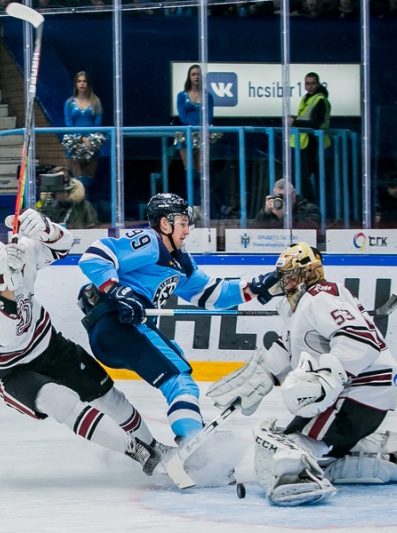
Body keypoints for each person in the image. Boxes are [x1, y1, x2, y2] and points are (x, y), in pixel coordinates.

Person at [206, 243, 397, 506]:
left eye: (288, 275)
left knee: (283, 448)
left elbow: (361, 341)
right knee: (293, 445)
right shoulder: (303, 305)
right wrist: (261, 377)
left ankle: (299, 479)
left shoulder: (320, 297)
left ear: (307, 274)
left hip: (358, 394)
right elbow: (287, 349)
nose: (284, 282)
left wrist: (327, 379)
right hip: (364, 395)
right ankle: (379, 455)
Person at [0, 210, 173, 477]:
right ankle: (136, 451)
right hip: (13, 370)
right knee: (61, 402)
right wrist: (8, 291)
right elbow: (8, 336)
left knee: (108, 396)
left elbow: (64, 246)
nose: (5, 270)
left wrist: (44, 228)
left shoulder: (18, 255)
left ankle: (155, 447)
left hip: (49, 345)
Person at [76, 193, 280, 444]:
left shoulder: (181, 263)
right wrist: (116, 289)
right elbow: (95, 256)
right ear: (165, 224)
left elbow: (211, 295)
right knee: (180, 381)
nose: (187, 231)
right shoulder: (150, 242)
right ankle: (193, 442)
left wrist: (255, 287)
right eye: (182, 223)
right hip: (119, 323)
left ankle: (192, 433)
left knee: (179, 365)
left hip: (119, 332)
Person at [175, 64, 217, 199]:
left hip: (202, 135)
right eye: (193, 74)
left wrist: (201, 129)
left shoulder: (208, 96)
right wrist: (195, 127)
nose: (196, 77)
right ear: (189, 77)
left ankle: (200, 204)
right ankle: (190, 203)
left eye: (198, 74)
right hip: (186, 135)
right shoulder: (181, 95)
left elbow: (209, 116)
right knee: (189, 171)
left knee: (201, 172)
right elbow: (182, 117)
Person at [290, 72, 331, 204]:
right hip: (302, 142)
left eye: (313, 83)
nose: (310, 86)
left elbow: (315, 123)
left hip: (313, 142)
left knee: (305, 177)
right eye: (307, 83)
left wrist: (294, 122)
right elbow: (305, 118)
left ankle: (310, 206)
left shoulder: (320, 100)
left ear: (318, 84)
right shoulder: (306, 98)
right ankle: (306, 205)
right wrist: (295, 119)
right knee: (301, 176)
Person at [63, 71, 104, 178]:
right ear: (76, 84)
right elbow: (69, 125)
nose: (82, 84)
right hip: (75, 145)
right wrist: (81, 138)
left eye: (84, 81)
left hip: (91, 145)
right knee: (77, 180)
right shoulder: (69, 103)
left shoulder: (96, 101)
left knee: (89, 179)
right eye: (79, 81)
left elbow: (97, 124)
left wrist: (88, 140)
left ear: (88, 84)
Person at [254, 178, 321, 229]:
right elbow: (255, 232)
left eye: (286, 196)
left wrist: (284, 216)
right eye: (279, 196)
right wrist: (265, 213)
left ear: (294, 193)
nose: (283, 199)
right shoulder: (273, 211)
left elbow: (310, 230)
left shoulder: (310, 209)